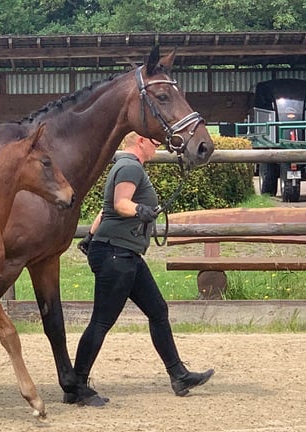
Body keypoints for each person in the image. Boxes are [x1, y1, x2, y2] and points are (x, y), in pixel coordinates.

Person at [67, 132, 214, 406]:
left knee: (158, 310)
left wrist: (90, 237)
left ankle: (178, 374)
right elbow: (120, 204)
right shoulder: (130, 166)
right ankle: (76, 386)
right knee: (101, 321)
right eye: (154, 141)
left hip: (123, 252)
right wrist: (140, 211)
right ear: (140, 142)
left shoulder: (124, 166)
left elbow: (104, 211)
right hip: (116, 253)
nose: (158, 145)